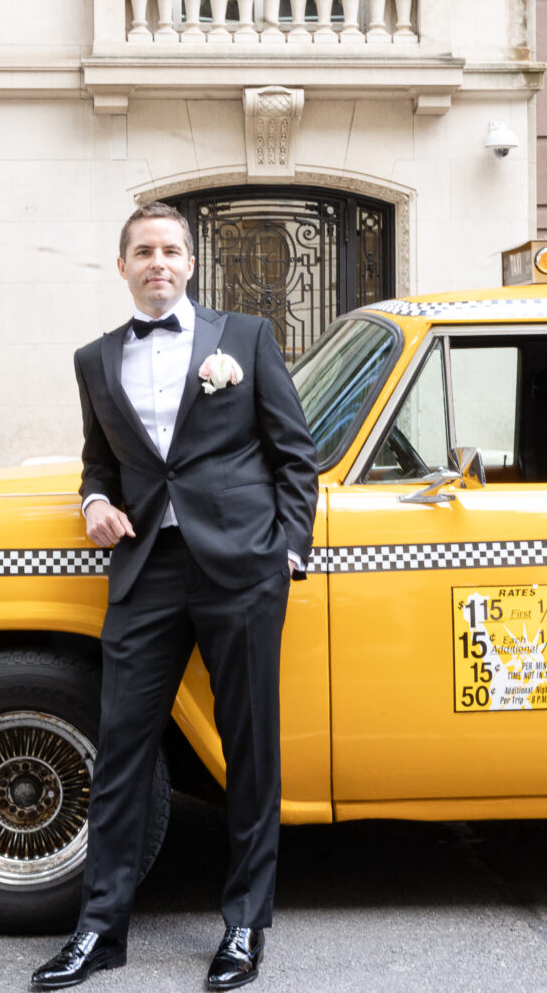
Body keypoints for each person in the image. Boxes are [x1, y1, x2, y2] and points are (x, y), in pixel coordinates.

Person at [31, 202, 319, 990]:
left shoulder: (245, 338)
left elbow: (295, 454)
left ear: (190, 263)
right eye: (143, 251)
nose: (158, 262)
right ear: (122, 265)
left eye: (170, 250)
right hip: (146, 569)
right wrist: (95, 502)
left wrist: (288, 549)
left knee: (249, 748)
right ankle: (100, 930)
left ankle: (245, 924)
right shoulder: (95, 359)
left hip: (242, 568)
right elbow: (100, 461)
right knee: (122, 748)